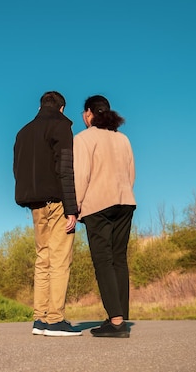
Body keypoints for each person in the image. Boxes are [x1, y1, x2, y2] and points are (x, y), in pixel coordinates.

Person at [13, 91, 81, 337]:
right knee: (60, 259)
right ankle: (55, 320)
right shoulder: (61, 126)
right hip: (58, 202)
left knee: (42, 260)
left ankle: (39, 319)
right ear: (61, 108)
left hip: (35, 204)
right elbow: (65, 167)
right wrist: (72, 208)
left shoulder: (23, 132)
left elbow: (16, 169)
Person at [73, 94, 136, 338]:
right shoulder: (123, 139)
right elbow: (131, 173)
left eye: (84, 114)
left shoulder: (84, 138)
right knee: (119, 258)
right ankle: (117, 317)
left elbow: (81, 175)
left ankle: (117, 322)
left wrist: (76, 207)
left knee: (103, 261)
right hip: (125, 202)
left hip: (98, 204)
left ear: (89, 113)